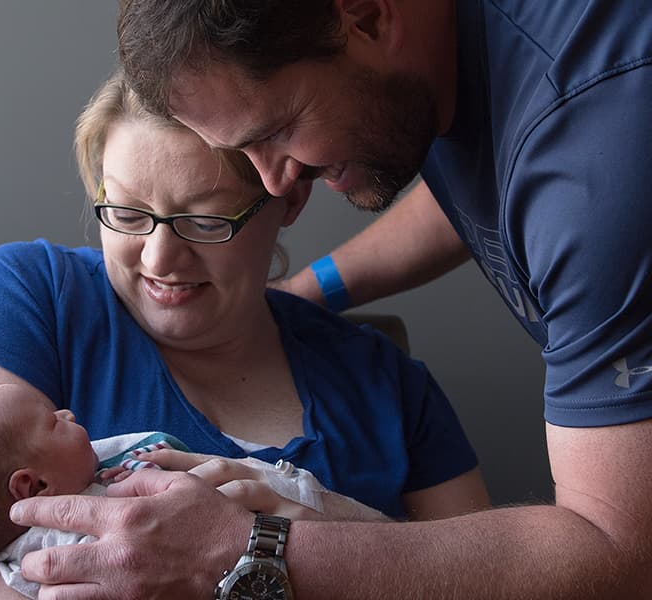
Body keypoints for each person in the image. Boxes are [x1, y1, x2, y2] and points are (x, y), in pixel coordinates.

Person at [98, 0, 652, 598]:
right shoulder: (444, 60)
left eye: (277, 131)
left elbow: (621, 557)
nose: (277, 183)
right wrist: (311, 292)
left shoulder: (598, 162)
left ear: (366, 17)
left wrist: (251, 548)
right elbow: (500, 176)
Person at [0, 67, 489, 599]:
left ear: (288, 200)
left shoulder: (385, 384)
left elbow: (490, 580)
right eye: (126, 212)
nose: (160, 259)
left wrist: (321, 533)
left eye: (204, 219)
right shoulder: (29, 295)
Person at [0, 382, 326, 599]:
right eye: (52, 422)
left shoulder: (88, 480)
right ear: (34, 485)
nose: (66, 412)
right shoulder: (64, 546)